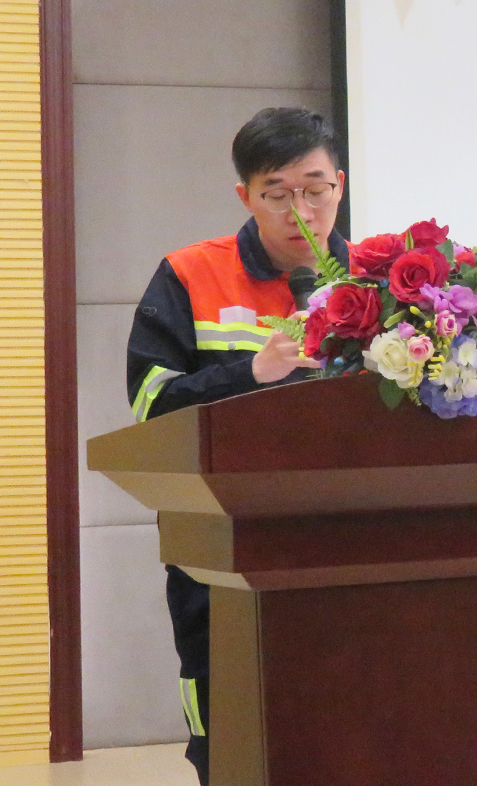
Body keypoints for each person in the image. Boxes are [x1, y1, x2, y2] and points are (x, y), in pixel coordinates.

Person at [126, 107, 348, 786]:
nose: (300, 211)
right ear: (244, 196)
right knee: (232, 730)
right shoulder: (190, 274)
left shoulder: (381, 281)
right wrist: (250, 373)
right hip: (220, 545)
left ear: (339, 184)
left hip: (347, 539)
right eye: (276, 194)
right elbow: (149, 406)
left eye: (314, 189)